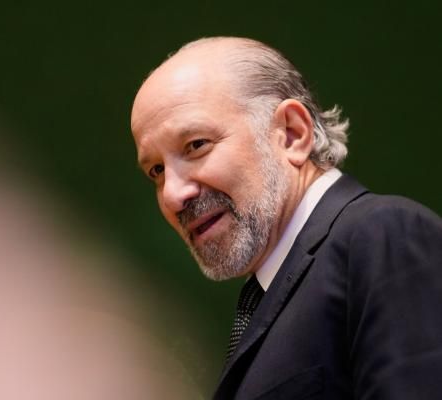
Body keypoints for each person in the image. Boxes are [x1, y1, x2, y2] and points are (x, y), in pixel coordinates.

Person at [130, 36, 442, 399]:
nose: (172, 195)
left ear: (292, 134)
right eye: (156, 171)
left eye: (197, 145)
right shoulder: (271, 292)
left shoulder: (384, 235)